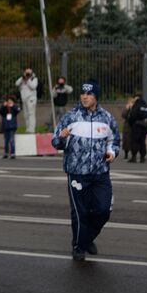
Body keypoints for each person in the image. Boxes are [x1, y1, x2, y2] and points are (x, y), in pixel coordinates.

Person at [52, 79, 120, 261]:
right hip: (77, 173)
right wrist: (61, 137)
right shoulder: (70, 117)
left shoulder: (107, 118)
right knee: (79, 212)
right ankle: (79, 247)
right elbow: (55, 142)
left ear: (96, 96)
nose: (85, 96)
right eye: (83, 93)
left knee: (104, 210)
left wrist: (112, 152)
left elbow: (114, 140)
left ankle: (86, 237)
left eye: (89, 94)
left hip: (100, 174)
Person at [128, 93, 147, 163]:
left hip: (136, 126)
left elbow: (132, 116)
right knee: (142, 142)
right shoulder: (146, 106)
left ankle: (134, 157)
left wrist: (131, 124)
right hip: (144, 126)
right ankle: (142, 157)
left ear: (136, 98)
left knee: (134, 141)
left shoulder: (136, 105)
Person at [15, 68, 39, 134]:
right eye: (26, 72)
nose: (27, 73)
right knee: (26, 115)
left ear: (32, 73)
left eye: (29, 72)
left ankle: (32, 129)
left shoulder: (34, 79)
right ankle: (28, 129)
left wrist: (28, 79)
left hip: (31, 98)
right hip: (24, 99)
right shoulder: (22, 79)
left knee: (31, 114)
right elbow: (16, 84)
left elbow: (33, 87)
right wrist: (22, 77)